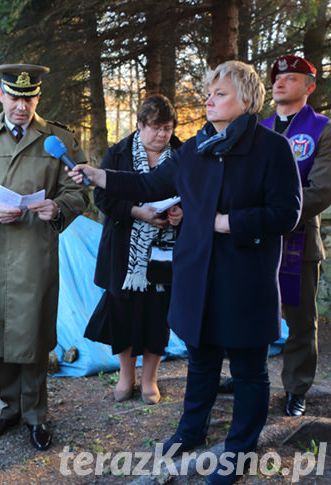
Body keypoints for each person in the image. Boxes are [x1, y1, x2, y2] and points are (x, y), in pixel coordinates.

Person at [68, 61, 301, 485]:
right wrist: (97, 174)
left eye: (220, 93)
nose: (208, 100)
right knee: (202, 359)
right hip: (197, 275)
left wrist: (229, 223)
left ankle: (238, 450)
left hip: (244, 277)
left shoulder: (272, 148)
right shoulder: (194, 148)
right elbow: (148, 184)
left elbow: (287, 213)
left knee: (248, 368)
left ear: (246, 100)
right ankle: (190, 432)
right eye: (209, 93)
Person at [0, 64, 90, 451]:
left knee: (33, 332)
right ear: (1, 95)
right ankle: (8, 408)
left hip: (36, 251)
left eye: (29, 98)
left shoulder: (58, 139)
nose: (21, 106)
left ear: (38, 98)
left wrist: (57, 207)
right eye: (14, 96)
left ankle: (36, 416)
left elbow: (79, 191)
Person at [219, 56, 331, 417]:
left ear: (310, 87)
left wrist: (274, 217)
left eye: (291, 78)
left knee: (299, 321)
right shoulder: (256, 127)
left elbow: (322, 189)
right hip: (254, 239)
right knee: (248, 310)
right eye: (277, 78)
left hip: (297, 238)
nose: (280, 83)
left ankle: (296, 388)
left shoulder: (323, 129)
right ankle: (246, 375)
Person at [87, 95, 183, 405]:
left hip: (166, 253)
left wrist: (184, 213)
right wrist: (136, 212)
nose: (162, 135)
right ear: (139, 125)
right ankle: (126, 377)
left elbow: (198, 195)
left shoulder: (182, 154)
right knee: (123, 315)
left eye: (167, 128)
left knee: (158, 316)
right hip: (123, 251)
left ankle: (150, 381)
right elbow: (101, 198)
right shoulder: (117, 153)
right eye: (155, 127)